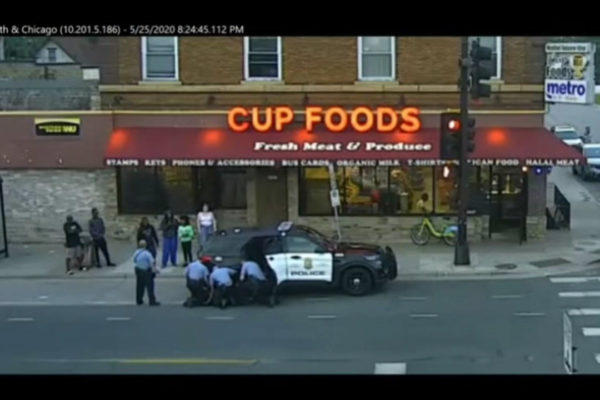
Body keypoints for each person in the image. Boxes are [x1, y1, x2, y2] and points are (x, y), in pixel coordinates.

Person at [133, 240, 160, 306]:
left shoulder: (136, 252)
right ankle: (152, 301)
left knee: (139, 286)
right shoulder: (147, 253)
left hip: (138, 270)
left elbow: (134, 260)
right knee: (150, 286)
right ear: (145, 245)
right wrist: (155, 270)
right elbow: (152, 263)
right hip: (146, 271)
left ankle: (139, 300)